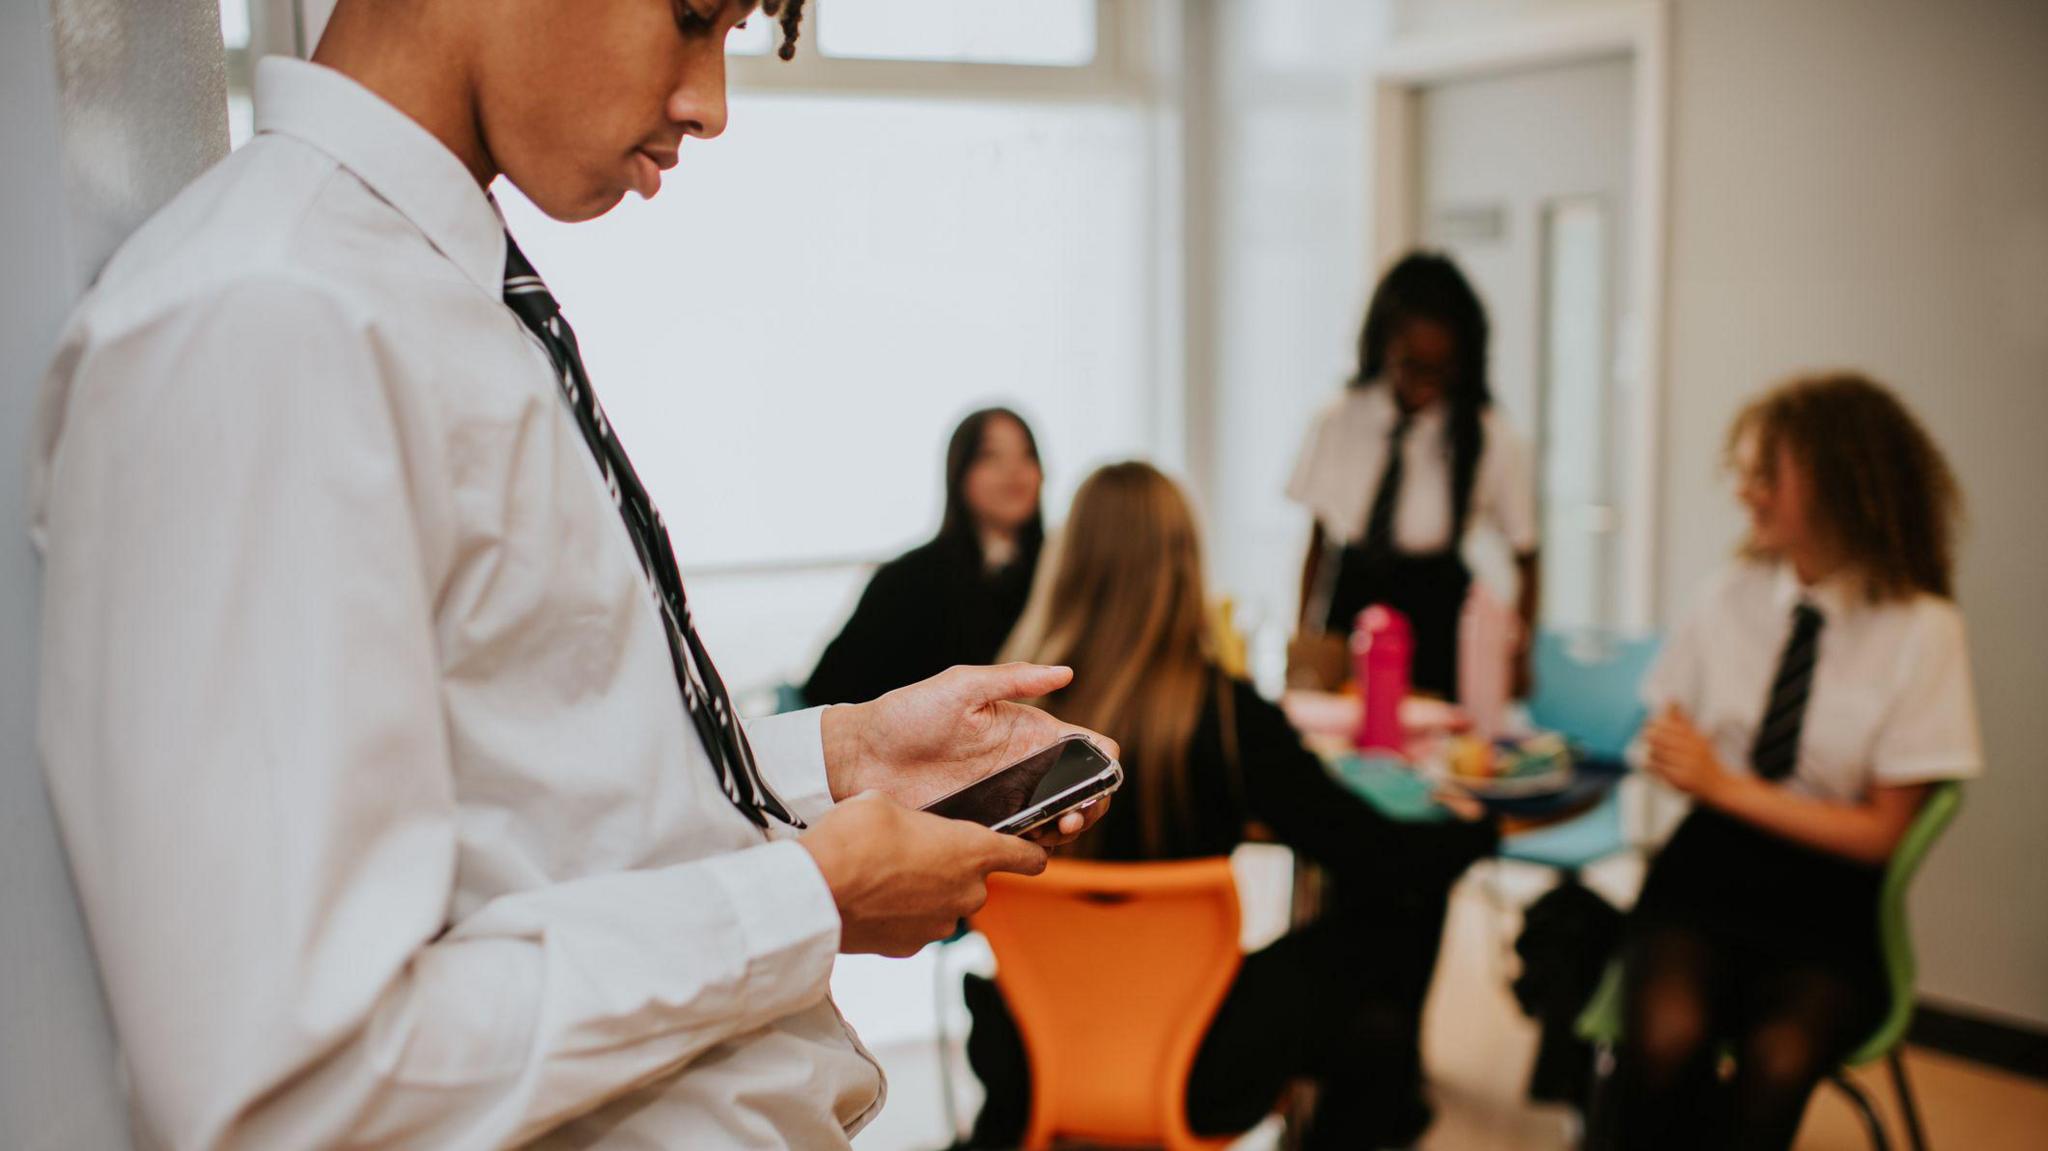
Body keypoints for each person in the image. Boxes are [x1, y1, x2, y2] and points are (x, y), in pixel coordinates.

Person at [28, 3, 1113, 1148]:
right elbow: (293, 1080)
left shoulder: (423, 291)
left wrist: (835, 760)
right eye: (692, 16)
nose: (711, 102)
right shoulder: (266, 321)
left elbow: (533, 806)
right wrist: (808, 898)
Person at [962, 462, 1498, 1150]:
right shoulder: (1225, 715)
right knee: (1377, 955)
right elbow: (1371, 848)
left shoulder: (1007, 720)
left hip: (1033, 1053)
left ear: (1068, 565)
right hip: (1196, 1066)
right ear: (1185, 570)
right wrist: (1476, 830)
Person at [1603, 374, 1981, 1150]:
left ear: (1844, 484)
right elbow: (1663, 726)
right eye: (1741, 471)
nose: (1746, 493)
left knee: (1779, 1063)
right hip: (1706, 875)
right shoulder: (1726, 595)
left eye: (1765, 474)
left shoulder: (1923, 631)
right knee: (1666, 1036)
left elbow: (1879, 834)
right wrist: (1676, 756)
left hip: (1830, 903)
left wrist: (1721, 782)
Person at [1288, 251, 1539, 698]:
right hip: (1353, 604)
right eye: (1412, 365)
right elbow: (1318, 542)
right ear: (1384, 347)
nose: (1425, 383)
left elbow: (1526, 551)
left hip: (1437, 614)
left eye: (1439, 370)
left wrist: (1520, 652)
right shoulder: (1340, 419)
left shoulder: (1486, 434)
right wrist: (1305, 640)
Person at [806, 407, 1044, 706]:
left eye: (1027, 454)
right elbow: (828, 691)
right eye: (991, 456)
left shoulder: (1063, 571)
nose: (1014, 470)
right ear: (960, 472)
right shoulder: (907, 579)